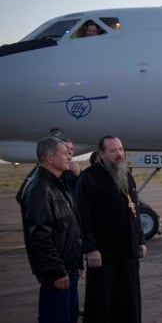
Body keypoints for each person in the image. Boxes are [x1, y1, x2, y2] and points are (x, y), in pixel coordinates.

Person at [76, 135, 147, 323]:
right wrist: (90, 248)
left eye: (121, 149)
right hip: (103, 255)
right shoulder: (89, 177)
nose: (118, 154)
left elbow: (135, 209)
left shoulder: (126, 175)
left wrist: (140, 240)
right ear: (101, 154)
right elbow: (83, 217)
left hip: (128, 252)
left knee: (129, 300)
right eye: (113, 150)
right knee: (103, 303)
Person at [17, 137, 82, 323]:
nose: (69, 157)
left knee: (68, 315)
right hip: (58, 273)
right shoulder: (40, 188)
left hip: (67, 268)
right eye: (64, 153)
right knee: (56, 317)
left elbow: (68, 227)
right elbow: (39, 235)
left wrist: (76, 262)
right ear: (50, 158)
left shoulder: (56, 183)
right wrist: (57, 271)